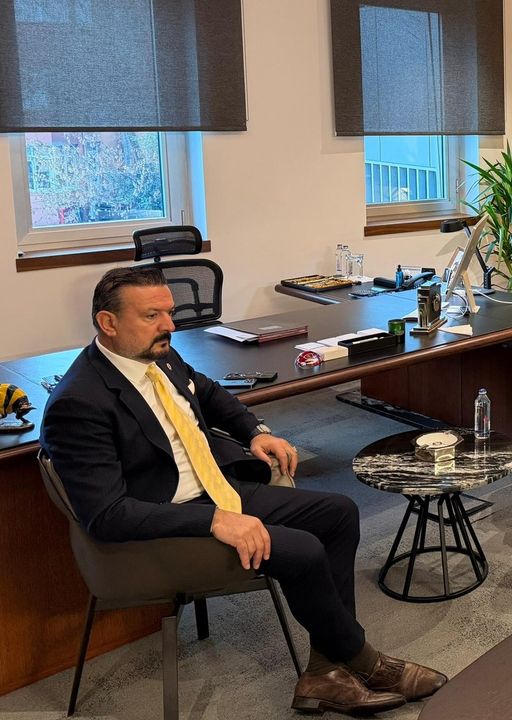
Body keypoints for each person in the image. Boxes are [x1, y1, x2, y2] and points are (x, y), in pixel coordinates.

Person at [41, 267, 447, 716]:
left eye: (170, 313)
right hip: (164, 526)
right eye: (152, 315)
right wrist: (214, 519)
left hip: (214, 489)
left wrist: (254, 431)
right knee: (303, 550)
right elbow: (107, 515)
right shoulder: (78, 403)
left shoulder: (159, 355)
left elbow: (210, 393)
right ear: (108, 323)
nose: (169, 325)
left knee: (339, 512)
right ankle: (365, 661)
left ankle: (324, 673)